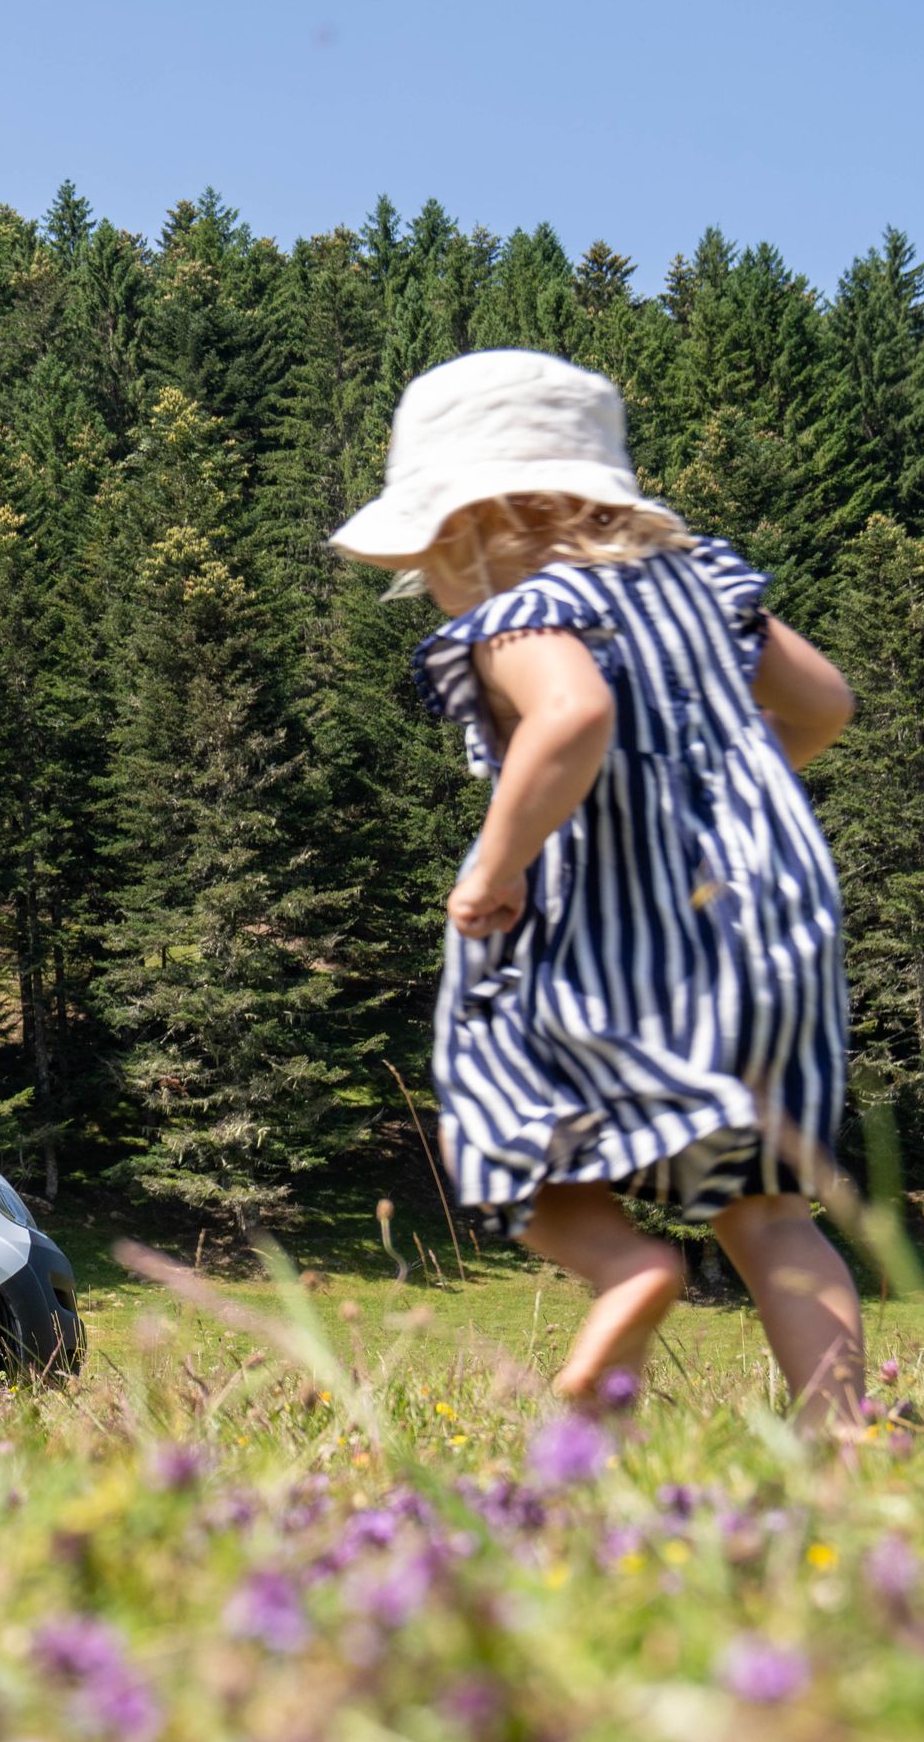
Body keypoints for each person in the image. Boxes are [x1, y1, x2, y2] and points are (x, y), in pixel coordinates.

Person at [330, 349, 866, 1422]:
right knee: (767, 1208)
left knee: (507, 1116)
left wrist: (499, 860)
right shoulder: (705, 584)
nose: (429, 586)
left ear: (478, 529)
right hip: (777, 922)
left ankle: (627, 1267)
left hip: (631, 929)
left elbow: (572, 716)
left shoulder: (519, 616)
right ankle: (842, 1439)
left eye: (430, 557)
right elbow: (823, 707)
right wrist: (726, 800)